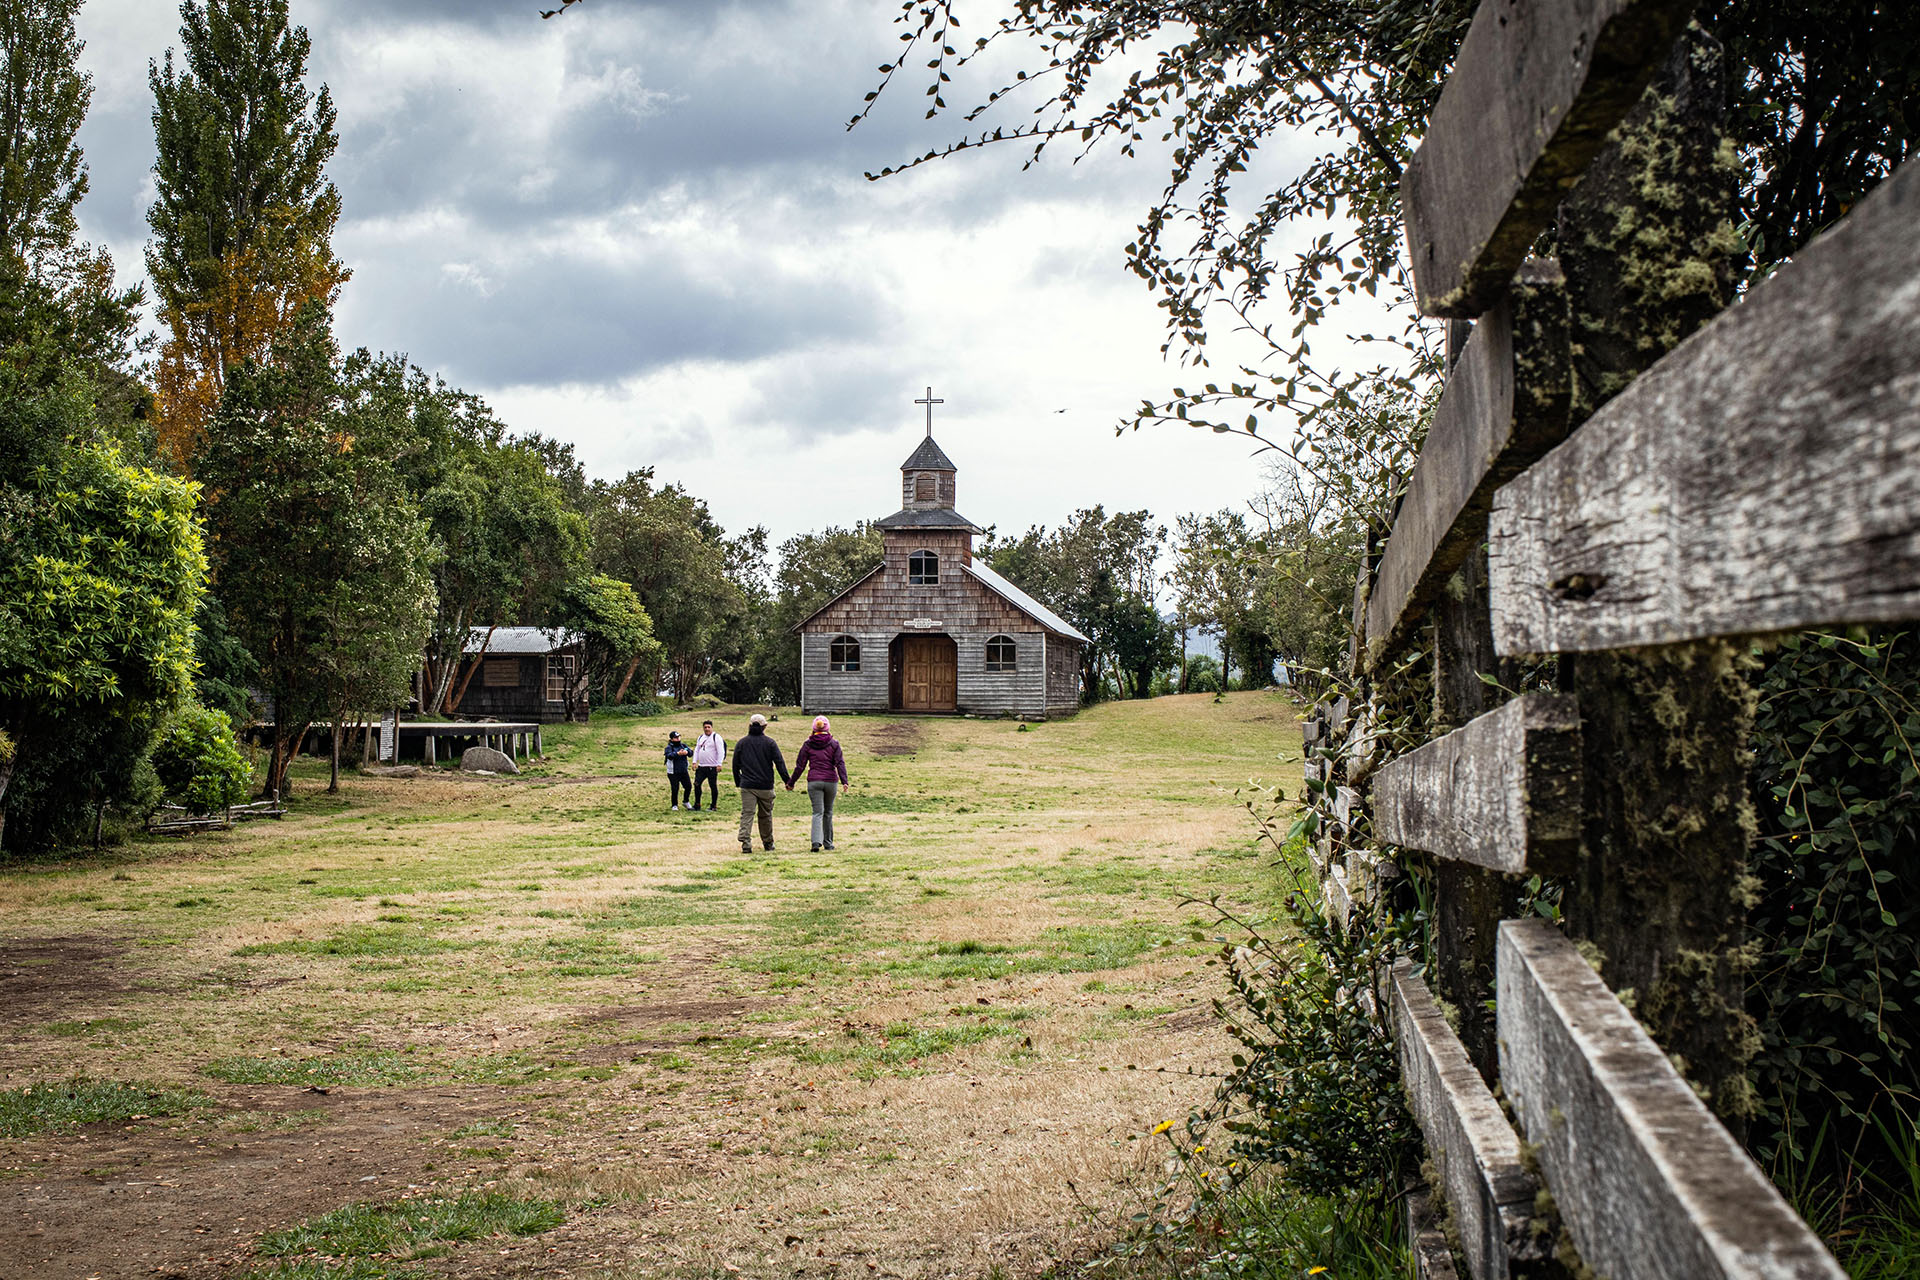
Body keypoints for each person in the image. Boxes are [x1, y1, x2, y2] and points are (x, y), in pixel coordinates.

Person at [788, 715, 850, 851]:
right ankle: (828, 843)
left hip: (814, 781)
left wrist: (791, 782)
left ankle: (815, 842)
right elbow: (840, 763)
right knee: (828, 812)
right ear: (827, 728)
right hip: (830, 781)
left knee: (817, 813)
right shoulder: (834, 743)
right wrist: (844, 781)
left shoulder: (808, 744)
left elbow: (800, 766)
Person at [731, 713, 791, 852]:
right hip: (765, 785)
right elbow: (779, 763)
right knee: (765, 815)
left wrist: (738, 781)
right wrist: (787, 781)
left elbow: (735, 764)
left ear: (750, 726)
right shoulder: (770, 743)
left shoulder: (742, 742)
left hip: (747, 786)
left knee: (747, 814)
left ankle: (745, 843)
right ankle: (768, 843)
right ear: (765, 726)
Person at [691, 719, 726, 811]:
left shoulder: (716, 737)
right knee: (697, 784)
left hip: (712, 767)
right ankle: (697, 804)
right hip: (702, 766)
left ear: (712, 728)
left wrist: (719, 764)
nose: (707, 729)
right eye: (705, 727)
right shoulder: (700, 737)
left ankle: (713, 805)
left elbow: (720, 751)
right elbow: (697, 750)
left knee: (712, 786)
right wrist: (694, 762)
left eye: (708, 727)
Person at [664, 731, 693, 810]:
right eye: (676, 738)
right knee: (675, 788)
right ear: (672, 739)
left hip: (683, 770)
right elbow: (669, 756)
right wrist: (677, 754)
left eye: (678, 737)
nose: (678, 739)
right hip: (673, 771)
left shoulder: (683, 745)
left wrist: (687, 752)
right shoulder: (669, 747)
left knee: (688, 787)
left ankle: (686, 801)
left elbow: (691, 753)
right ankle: (674, 805)